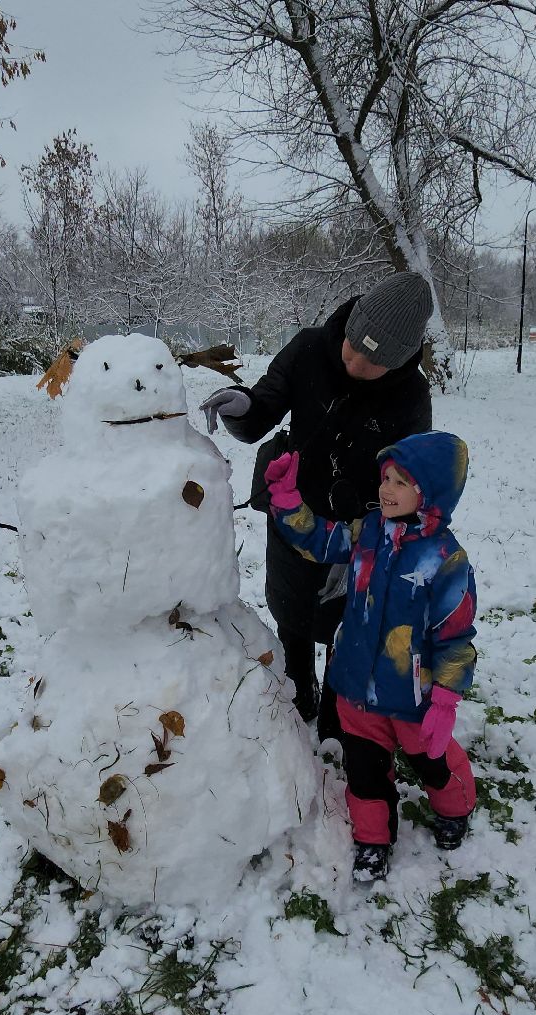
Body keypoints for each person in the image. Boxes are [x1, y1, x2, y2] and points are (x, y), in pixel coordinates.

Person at [199, 272, 434, 742]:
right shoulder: (310, 348)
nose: (355, 359)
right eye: (353, 344)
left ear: (400, 359)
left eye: (373, 359)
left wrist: (364, 546)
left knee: (347, 629)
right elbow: (264, 405)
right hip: (292, 510)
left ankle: (336, 715)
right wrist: (240, 408)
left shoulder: (411, 397)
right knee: (291, 611)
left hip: (355, 533)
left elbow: (409, 484)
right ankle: (298, 691)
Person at [262, 430, 478, 882]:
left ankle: (456, 805)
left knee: (431, 764)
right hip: (357, 686)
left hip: (413, 697)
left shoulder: (445, 560)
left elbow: (455, 637)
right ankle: (373, 842)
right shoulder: (370, 531)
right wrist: (284, 497)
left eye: (401, 481)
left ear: (431, 491)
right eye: (385, 479)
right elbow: (320, 541)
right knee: (364, 772)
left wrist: (445, 700)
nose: (386, 490)